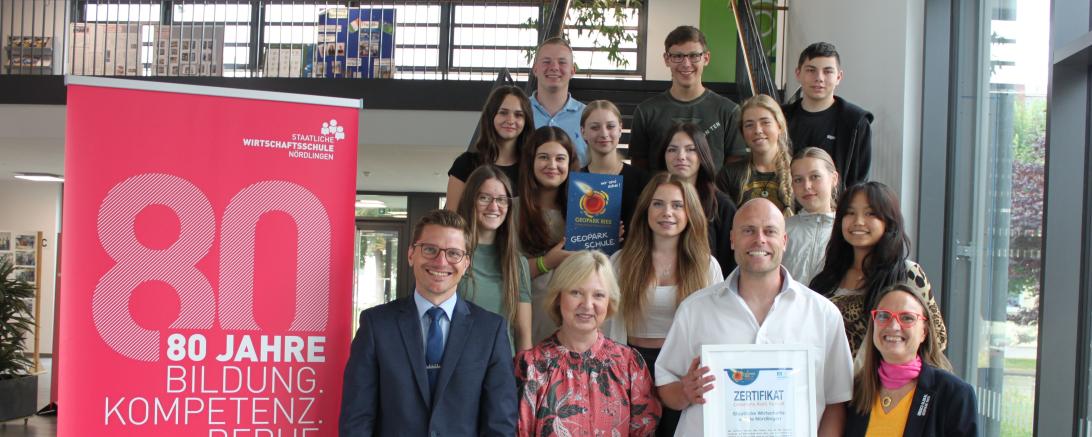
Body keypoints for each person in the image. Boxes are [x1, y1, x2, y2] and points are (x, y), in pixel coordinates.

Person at [655, 198, 853, 437]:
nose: (760, 239)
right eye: (748, 230)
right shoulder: (695, 310)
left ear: (784, 241)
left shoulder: (823, 314)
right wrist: (685, 392)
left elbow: (836, 401)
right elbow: (666, 383)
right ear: (732, 239)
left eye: (770, 231)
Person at [339, 209, 517, 436]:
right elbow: (357, 418)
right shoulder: (376, 325)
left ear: (466, 263)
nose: (441, 261)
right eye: (430, 249)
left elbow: (500, 423)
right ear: (411, 254)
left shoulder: (491, 330)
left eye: (453, 253)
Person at [604, 172, 722, 437]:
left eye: (677, 205)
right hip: (631, 365)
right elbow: (606, 324)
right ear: (646, 209)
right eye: (658, 203)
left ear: (690, 211)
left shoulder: (706, 266)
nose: (667, 212)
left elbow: (716, 325)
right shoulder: (620, 262)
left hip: (683, 370)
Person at [515, 250, 661, 437]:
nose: (587, 304)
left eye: (599, 295)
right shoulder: (531, 366)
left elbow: (644, 431)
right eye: (576, 292)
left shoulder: (629, 365)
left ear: (610, 301)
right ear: (559, 297)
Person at [808, 181, 948, 354]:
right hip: (829, 379)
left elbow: (938, 338)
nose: (858, 221)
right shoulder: (826, 278)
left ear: (889, 221)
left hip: (883, 380)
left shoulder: (907, 273)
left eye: (870, 214)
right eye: (850, 213)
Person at [845, 284, 978, 436]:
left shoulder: (955, 395)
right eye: (883, 316)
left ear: (924, 332)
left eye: (907, 318)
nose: (894, 326)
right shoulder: (854, 391)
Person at [628, 25, 746, 174]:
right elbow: (639, 170)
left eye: (694, 55)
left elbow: (735, 171)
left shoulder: (729, 111)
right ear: (666, 59)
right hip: (661, 196)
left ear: (706, 58)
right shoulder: (646, 111)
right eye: (678, 56)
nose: (686, 63)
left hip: (712, 197)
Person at [455, 165, 533, 351]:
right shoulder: (451, 256)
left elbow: (523, 333)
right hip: (458, 368)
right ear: (469, 201)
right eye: (484, 198)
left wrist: (525, 378)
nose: (494, 206)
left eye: (501, 200)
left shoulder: (517, 263)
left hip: (503, 368)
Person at [516, 126, 580, 344]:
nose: (552, 165)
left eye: (560, 158)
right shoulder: (510, 210)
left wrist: (605, 238)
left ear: (569, 164)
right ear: (531, 161)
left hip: (573, 328)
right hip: (526, 324)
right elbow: (504, 273)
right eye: (544, 157)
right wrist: (546, 262)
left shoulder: (583, 212)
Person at [782, 42, 874, 189]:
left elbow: (858, 184)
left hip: (836, 210)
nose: (819, 78)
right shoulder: (780, 118)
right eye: (811, 70)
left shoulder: (855, 123)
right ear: (798, 74)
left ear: (839, 76)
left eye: (827, 71)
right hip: (785, 208)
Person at [658, 122, 736, 277]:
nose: (681, 156)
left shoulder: (721, 205)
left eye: (691, 149)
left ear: (702, 156)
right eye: (672, 149)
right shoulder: (649, 200)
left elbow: (732, 265)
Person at [447, 85, 534, 210]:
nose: (510, 120)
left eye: (518, 115)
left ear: (526, 121)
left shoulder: (532, 168)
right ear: (491, 116)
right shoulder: (465, 164)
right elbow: (453, 222)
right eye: (503, 113)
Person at [580, 99, 650, 237]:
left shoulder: (642, 180)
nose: (604, 133)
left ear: (620, 130)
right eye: (595, 127)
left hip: (631, 257)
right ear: (583, 132)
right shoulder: (575, 182)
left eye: (610, 126)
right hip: (586, 257)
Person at [716, 94, 795, 215]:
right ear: (742, 133)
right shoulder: (729, 175)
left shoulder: (798, 172)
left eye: (765, 122)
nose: (757, 130)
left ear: (779, 126)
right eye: (749, 125)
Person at [782, 147, 840, 285]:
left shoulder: (845, 230)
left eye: (815, 177)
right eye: (798, 180)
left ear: (834, 178)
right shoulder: (782, 229)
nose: (807, 186)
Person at [530, 37, 588, 166]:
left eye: (562, 62)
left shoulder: (588, 116)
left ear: (573, 71)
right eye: (546, 61)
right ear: (535, 69)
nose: (554, 67)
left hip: (577, 186)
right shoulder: (519, 112)